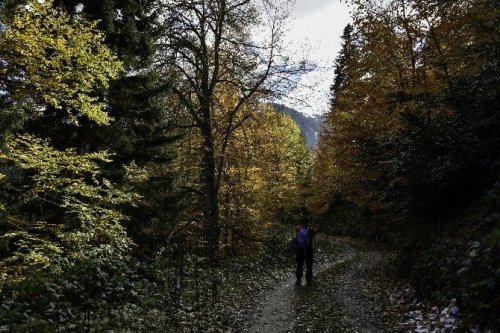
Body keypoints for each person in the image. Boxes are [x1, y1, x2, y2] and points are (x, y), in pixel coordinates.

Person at [294, 214, 316, 286]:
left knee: (299, 264)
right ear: (308, 222)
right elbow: (315, 234)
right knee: (309, 264)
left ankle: (298, 279)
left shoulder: (298, 228)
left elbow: (296, 236)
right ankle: (309, 279)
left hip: (300, 249)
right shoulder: (311, 229)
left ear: (302, 222)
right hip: (309, 249)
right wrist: (312, 226)